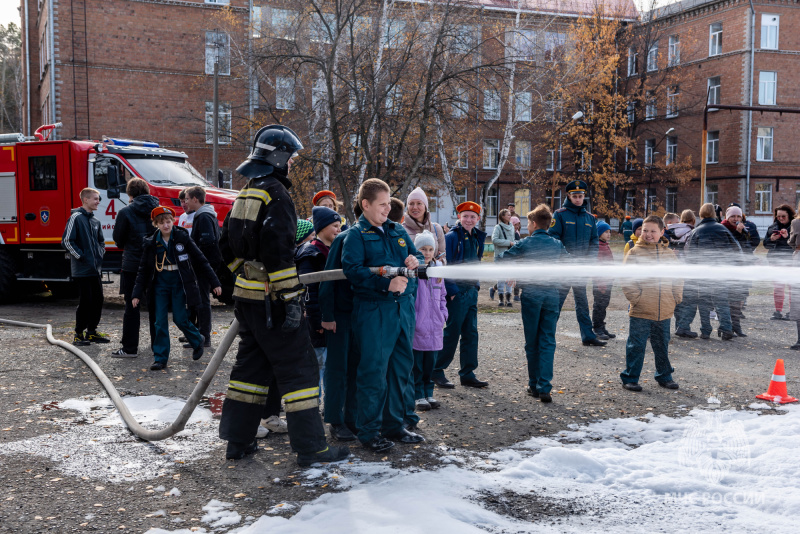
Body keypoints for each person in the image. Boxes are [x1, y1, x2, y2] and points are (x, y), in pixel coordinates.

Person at [217, 124, 349, 465]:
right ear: (277, 158)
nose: (291, 164)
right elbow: (278, 253)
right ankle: (312, 449)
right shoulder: (276, 194)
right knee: (301, 371)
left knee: (250, 372)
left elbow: (223, 246)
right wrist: (291, 300)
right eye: (289, 158)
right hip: (272, 302)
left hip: (247, 300)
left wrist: (244, 276)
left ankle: (238, 442)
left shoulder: (246, 192)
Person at [341, 178, 425, 452]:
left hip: (403, 311)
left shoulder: (397, 230)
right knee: (374, 373)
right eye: (382, 204)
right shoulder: (356, 235)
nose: (388, 209)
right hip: (375, 313)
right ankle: (369, 431)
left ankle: (394, 425)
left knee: (400, 370)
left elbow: (418, 259)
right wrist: (385, 283)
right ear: (365, 205)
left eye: (389, 204)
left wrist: (416, 261)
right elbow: (352, 271)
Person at [131, 206, 220, 370]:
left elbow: (201, 259)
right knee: (159, 321)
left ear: (173, 221)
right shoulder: (151, 242)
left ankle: (196, 339)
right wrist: (136, 293)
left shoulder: (181, 237)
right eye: (161, 223)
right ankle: (161, 358)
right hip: (160, 284)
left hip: (179, 282)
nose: (166, 225)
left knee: (180, 318)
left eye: (168, 221)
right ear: (156, 224)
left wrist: (214, 282)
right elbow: (143, 269)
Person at [497, 205, 567, 403]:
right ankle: (545, 387)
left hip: (532, 295)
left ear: (534, 224)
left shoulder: (526, 243)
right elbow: (570, 264)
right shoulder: (557, 244)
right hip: (552, 294)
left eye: (529, 223)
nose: (527, 226)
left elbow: (502, 259)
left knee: (532, 341)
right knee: (548, 340)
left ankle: (533, 384)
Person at [620, 215, 683, 392]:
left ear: (662, 232)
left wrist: (676, 297)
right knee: (636, 345)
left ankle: (664, 376)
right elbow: (627, 280)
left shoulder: (669, 255)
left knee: (661, 344)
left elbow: (678, 278)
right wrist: (636, 299)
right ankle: (630, 378)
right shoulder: (634, 253)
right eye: (645, 230)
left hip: (664, 310)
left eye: (653, 231)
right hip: (641, 310)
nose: (648, 234)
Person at [319, 202, 363, 442]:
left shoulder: (374, 237)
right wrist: (328, 316)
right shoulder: (344, 238)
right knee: (337, 369)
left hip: (362, 315)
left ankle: (352, 418)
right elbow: (328, 279)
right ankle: (335, 420)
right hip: (341, 315)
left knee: (356, 367)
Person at [433, 201, 489, 388]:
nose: (469, 219)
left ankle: (467, 373)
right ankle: (437, 370)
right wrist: (453, 291)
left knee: (471, 334)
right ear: (459, 217)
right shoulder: (451, 237)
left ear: (478, 219)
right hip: (457, 293)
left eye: (473, 217)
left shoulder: (476, 237)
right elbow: (444, 265)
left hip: (471, 291)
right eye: (465, 216)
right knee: (452, 333)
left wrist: (477, 285)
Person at [548, 180, 605, 347]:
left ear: (584, 196)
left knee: (582, 303)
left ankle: (587, 336)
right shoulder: (560, 215)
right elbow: (553, 237)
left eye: (580, 196)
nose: (578, 199)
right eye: (575, 196)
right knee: (556, 303)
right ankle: (547, 334)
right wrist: (566, 259)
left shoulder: (590, 218)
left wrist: (590, 260)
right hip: (564, 269)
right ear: (569, 196)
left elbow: (594, 241)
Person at [295, 206, 342, 391]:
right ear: (322, 227)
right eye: (335, 226)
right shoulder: (311, 254)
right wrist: (317, 322)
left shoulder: (331, 250)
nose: (339, 229)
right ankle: (313, 405)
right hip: (318, 323)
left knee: (328, 364)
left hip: (328, 318)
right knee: (318, 366)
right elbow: (309, 292)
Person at [111, 179, 159, 357]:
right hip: (156, 265)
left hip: (132, 265)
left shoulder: (125, 212)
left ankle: (130, 348)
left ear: (130, 194)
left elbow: (118, 240)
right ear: (147, 190)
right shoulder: (158, 211)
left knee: (131, 308)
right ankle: (158, 347)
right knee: (156, 307)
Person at [684, 203, 742, 340]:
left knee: (704, 302)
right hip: (722, 271)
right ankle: (726, 328)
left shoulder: (696, 231)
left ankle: (706, 330)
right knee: (721, 301)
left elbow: (690, 256)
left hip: (703, 273)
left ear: (701, 214)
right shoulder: (723, 229)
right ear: (715, 214)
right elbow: (737, 249)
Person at [62, 187, 109, 346]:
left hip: (95, 270)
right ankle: (78, 334)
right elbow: (67, 241)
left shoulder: (95, 221)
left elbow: (101, 241)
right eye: (95, 199)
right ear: (86, 200)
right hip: (82, 270)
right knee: (86, 301)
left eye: (98, 199)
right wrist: (81, 257)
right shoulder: (76, 218)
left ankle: (91, 332)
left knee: (98, 299)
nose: (98, 202)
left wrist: (100, 254)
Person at [410, 231, 448, 412]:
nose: (426, 253)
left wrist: (443, 314)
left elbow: (442, 295)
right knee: (417, 364)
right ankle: (418, 394)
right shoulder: (412, 272)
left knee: (430, 364)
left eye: (430, 249)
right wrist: (414, 319)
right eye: (423, 249)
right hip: (418, 327)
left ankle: (428, 392)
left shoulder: (438, 270)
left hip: (435, 327)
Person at [183, 186, 222, 348]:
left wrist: (197, 257)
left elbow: (208, 242)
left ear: (194, 199)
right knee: (201, 299)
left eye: (186, 198)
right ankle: (201, 334)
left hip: (204, 265)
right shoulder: (205, 215)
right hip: (205, 264)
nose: (185, 202)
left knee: (203, 301)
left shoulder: (204, 217)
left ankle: (204, 337)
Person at [721, 205, 753, 337]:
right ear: (727, 218)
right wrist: (738, 233)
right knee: (729, 300)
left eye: (738, 216)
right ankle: (728, 327)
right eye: (733, 216)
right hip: (729, 270)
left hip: (742, 269)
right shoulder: (723, 228)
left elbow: (746, 247)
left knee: (739, 299)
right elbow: (730, 248)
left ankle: (736, 325)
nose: (736, 219)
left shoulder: (742, 229)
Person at [764, 204, 795, 320]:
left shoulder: (795, 226)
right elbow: (765, 244)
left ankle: (792, 312)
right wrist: (771, 239)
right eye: (778, 216)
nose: (781, 219)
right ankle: (778, 311)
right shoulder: (772, 227)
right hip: (775, 262)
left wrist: (788, 238)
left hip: (791, 262)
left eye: (783, 216)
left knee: (793, 288)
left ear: (790, 216)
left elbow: (797, 245)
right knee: (778, 288)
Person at [672, 210, 699, 338]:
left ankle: (678, 325)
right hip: (687, 271)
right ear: (693, 220)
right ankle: (684, 327)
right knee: (691, 300)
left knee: (679, 299)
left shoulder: (671, 231)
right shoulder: (691, 233)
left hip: (673, 272)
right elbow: (690, 254)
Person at [402, 187, 446, 261]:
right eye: (411, 204)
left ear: (425, 207)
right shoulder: (400, 230)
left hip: (433, 272)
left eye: (419, 203)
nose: (415, 207)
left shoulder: (436, 229)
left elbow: (443, 256)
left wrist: (440, 262)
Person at [592, 221, 615, 341]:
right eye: (606, 232)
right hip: (601, 283)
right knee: (599, 306)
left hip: (608, 281)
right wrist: (601, 283)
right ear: (599, 233)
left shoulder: (605, 245)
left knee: (604, 305)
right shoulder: (598, 247)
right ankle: (597, 328)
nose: (609, 234)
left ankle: (602, 326)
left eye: (609, 232)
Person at [491, 209, 516, 307]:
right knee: (501, 278)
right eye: (508, 215)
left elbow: (513, 240)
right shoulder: (498, 227)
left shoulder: (512, 227)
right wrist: (508, 243)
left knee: (510, 277)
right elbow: (494, 240)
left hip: (510, 256)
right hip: (500, 256)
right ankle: (501, 299)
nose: (510, 216)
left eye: (510, 215)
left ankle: (508, 299)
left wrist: (514, 245)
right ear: (502, 217)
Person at [510, 216, 522, 301]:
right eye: (515, 225)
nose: (517, 227)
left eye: (518, 225)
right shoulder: (509, 233)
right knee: (506, 277)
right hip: (510, 257)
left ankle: (516, 295)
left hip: (517, 258)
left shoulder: (517, 233)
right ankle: (494, 289)